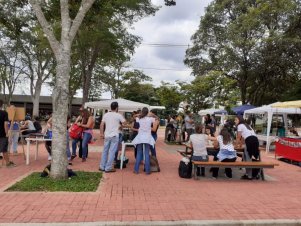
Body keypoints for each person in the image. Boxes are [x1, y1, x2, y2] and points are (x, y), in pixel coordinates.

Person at [99, 102, 126, 172]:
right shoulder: (118, 115)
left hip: (107, 135)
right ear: (117, 108)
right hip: (114, 135)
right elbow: (124, 123)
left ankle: (102, 166)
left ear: (110, 107)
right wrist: (121, 126)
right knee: (112, 152)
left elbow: (101, 124)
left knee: (105, 151)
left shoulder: (106, 115)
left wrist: (101, 134)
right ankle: (108, 168)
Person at [235, 115, 260, 180]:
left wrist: (235, 146)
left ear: (239, 120)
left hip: (249, 141)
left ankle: (249, 176)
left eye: (236, 120)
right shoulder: (247, 125)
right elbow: (243, 137)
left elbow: (239, 137)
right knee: (247, 157)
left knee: (247, 158)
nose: (235, 121)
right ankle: (250, 174)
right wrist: (240, 145)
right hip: (255, 140)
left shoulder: (240, 126)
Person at [132, 107, 156, 174]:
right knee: (146, 154)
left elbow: (133, 117)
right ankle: (147, 171)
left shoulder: (139, 118)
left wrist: (138, 114)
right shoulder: (150, 119)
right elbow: (157, 118)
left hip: (140, 137)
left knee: (139, 153)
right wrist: (152, 115)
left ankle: (136, 170)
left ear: (142, 112)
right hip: (147, 138)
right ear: (148, 112)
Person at [0, 99, 16, 167]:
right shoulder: (4, 113)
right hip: (2, 134)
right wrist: (7, 133)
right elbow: (6, 124)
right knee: (4, 150)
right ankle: (8, 163)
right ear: (1, 105)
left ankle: (8, 163)